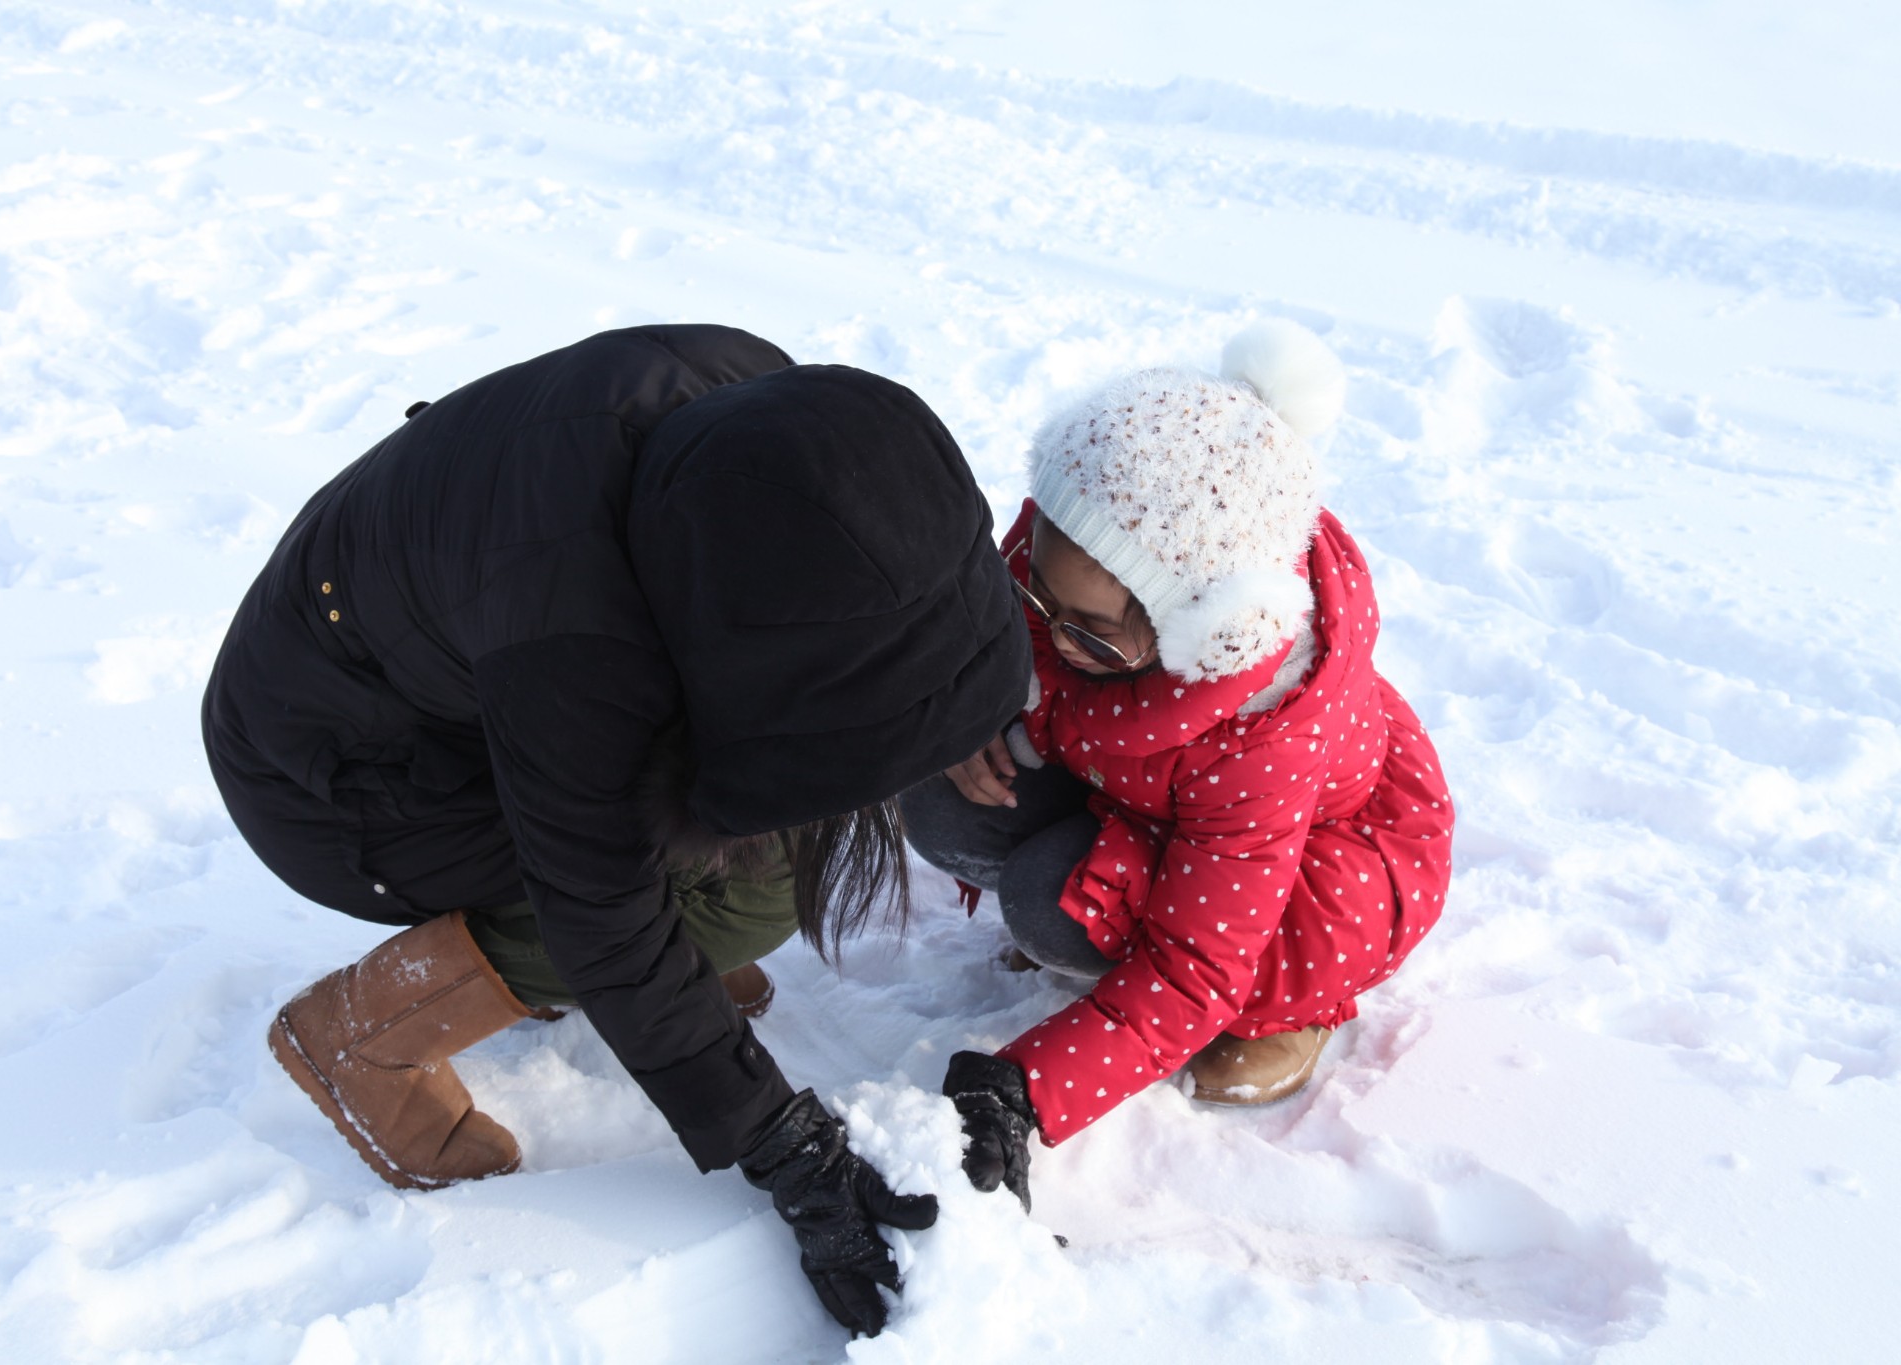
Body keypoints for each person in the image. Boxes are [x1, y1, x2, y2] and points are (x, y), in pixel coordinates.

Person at [201, 324, 1030, 1335]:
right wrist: (785, 1148)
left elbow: (887, 575)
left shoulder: (768, 422)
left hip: (419, 675)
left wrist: (932, 693)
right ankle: (363, 1039)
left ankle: (659, 955)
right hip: (334, 779)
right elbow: (602, 908)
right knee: (736, 904)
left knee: (764, 848)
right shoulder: (573, 637)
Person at [903, 319, 1454, 1210]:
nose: (1042, 622)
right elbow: (1032, 624)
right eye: (1031, 587)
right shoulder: (1081, 566)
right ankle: (1101, 918)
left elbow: (1195, 965)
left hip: (1311, 873)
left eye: (1079, 626)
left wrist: (1025, 1089)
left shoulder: (1261, 737)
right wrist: (977, 706)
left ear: (1196, 622)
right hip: (1140, 779)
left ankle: (1291, 1018)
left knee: (1052, 902)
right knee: (939, 804)